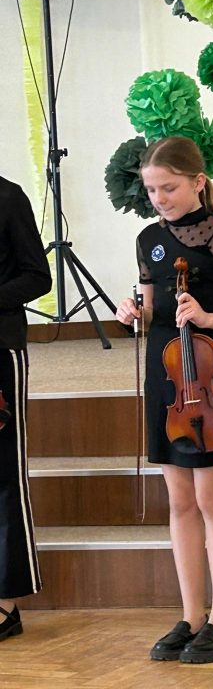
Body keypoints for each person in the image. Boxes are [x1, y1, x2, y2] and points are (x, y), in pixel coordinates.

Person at [115, 136, 213, 664]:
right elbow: (152, 309)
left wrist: (206, 317)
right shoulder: (148, 240)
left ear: (198, 182)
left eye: (169, 188)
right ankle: (192, 616)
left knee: (210, 500)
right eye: (152, 190)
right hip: (165, 379)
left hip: (207, 379)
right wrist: (132, 312)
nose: (159, 198)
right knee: (179, 501)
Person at [0, 176, 52, 642]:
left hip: (0, 350)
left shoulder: (7, 197)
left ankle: (6, 601)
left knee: (3, 475)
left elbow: (38, 276)